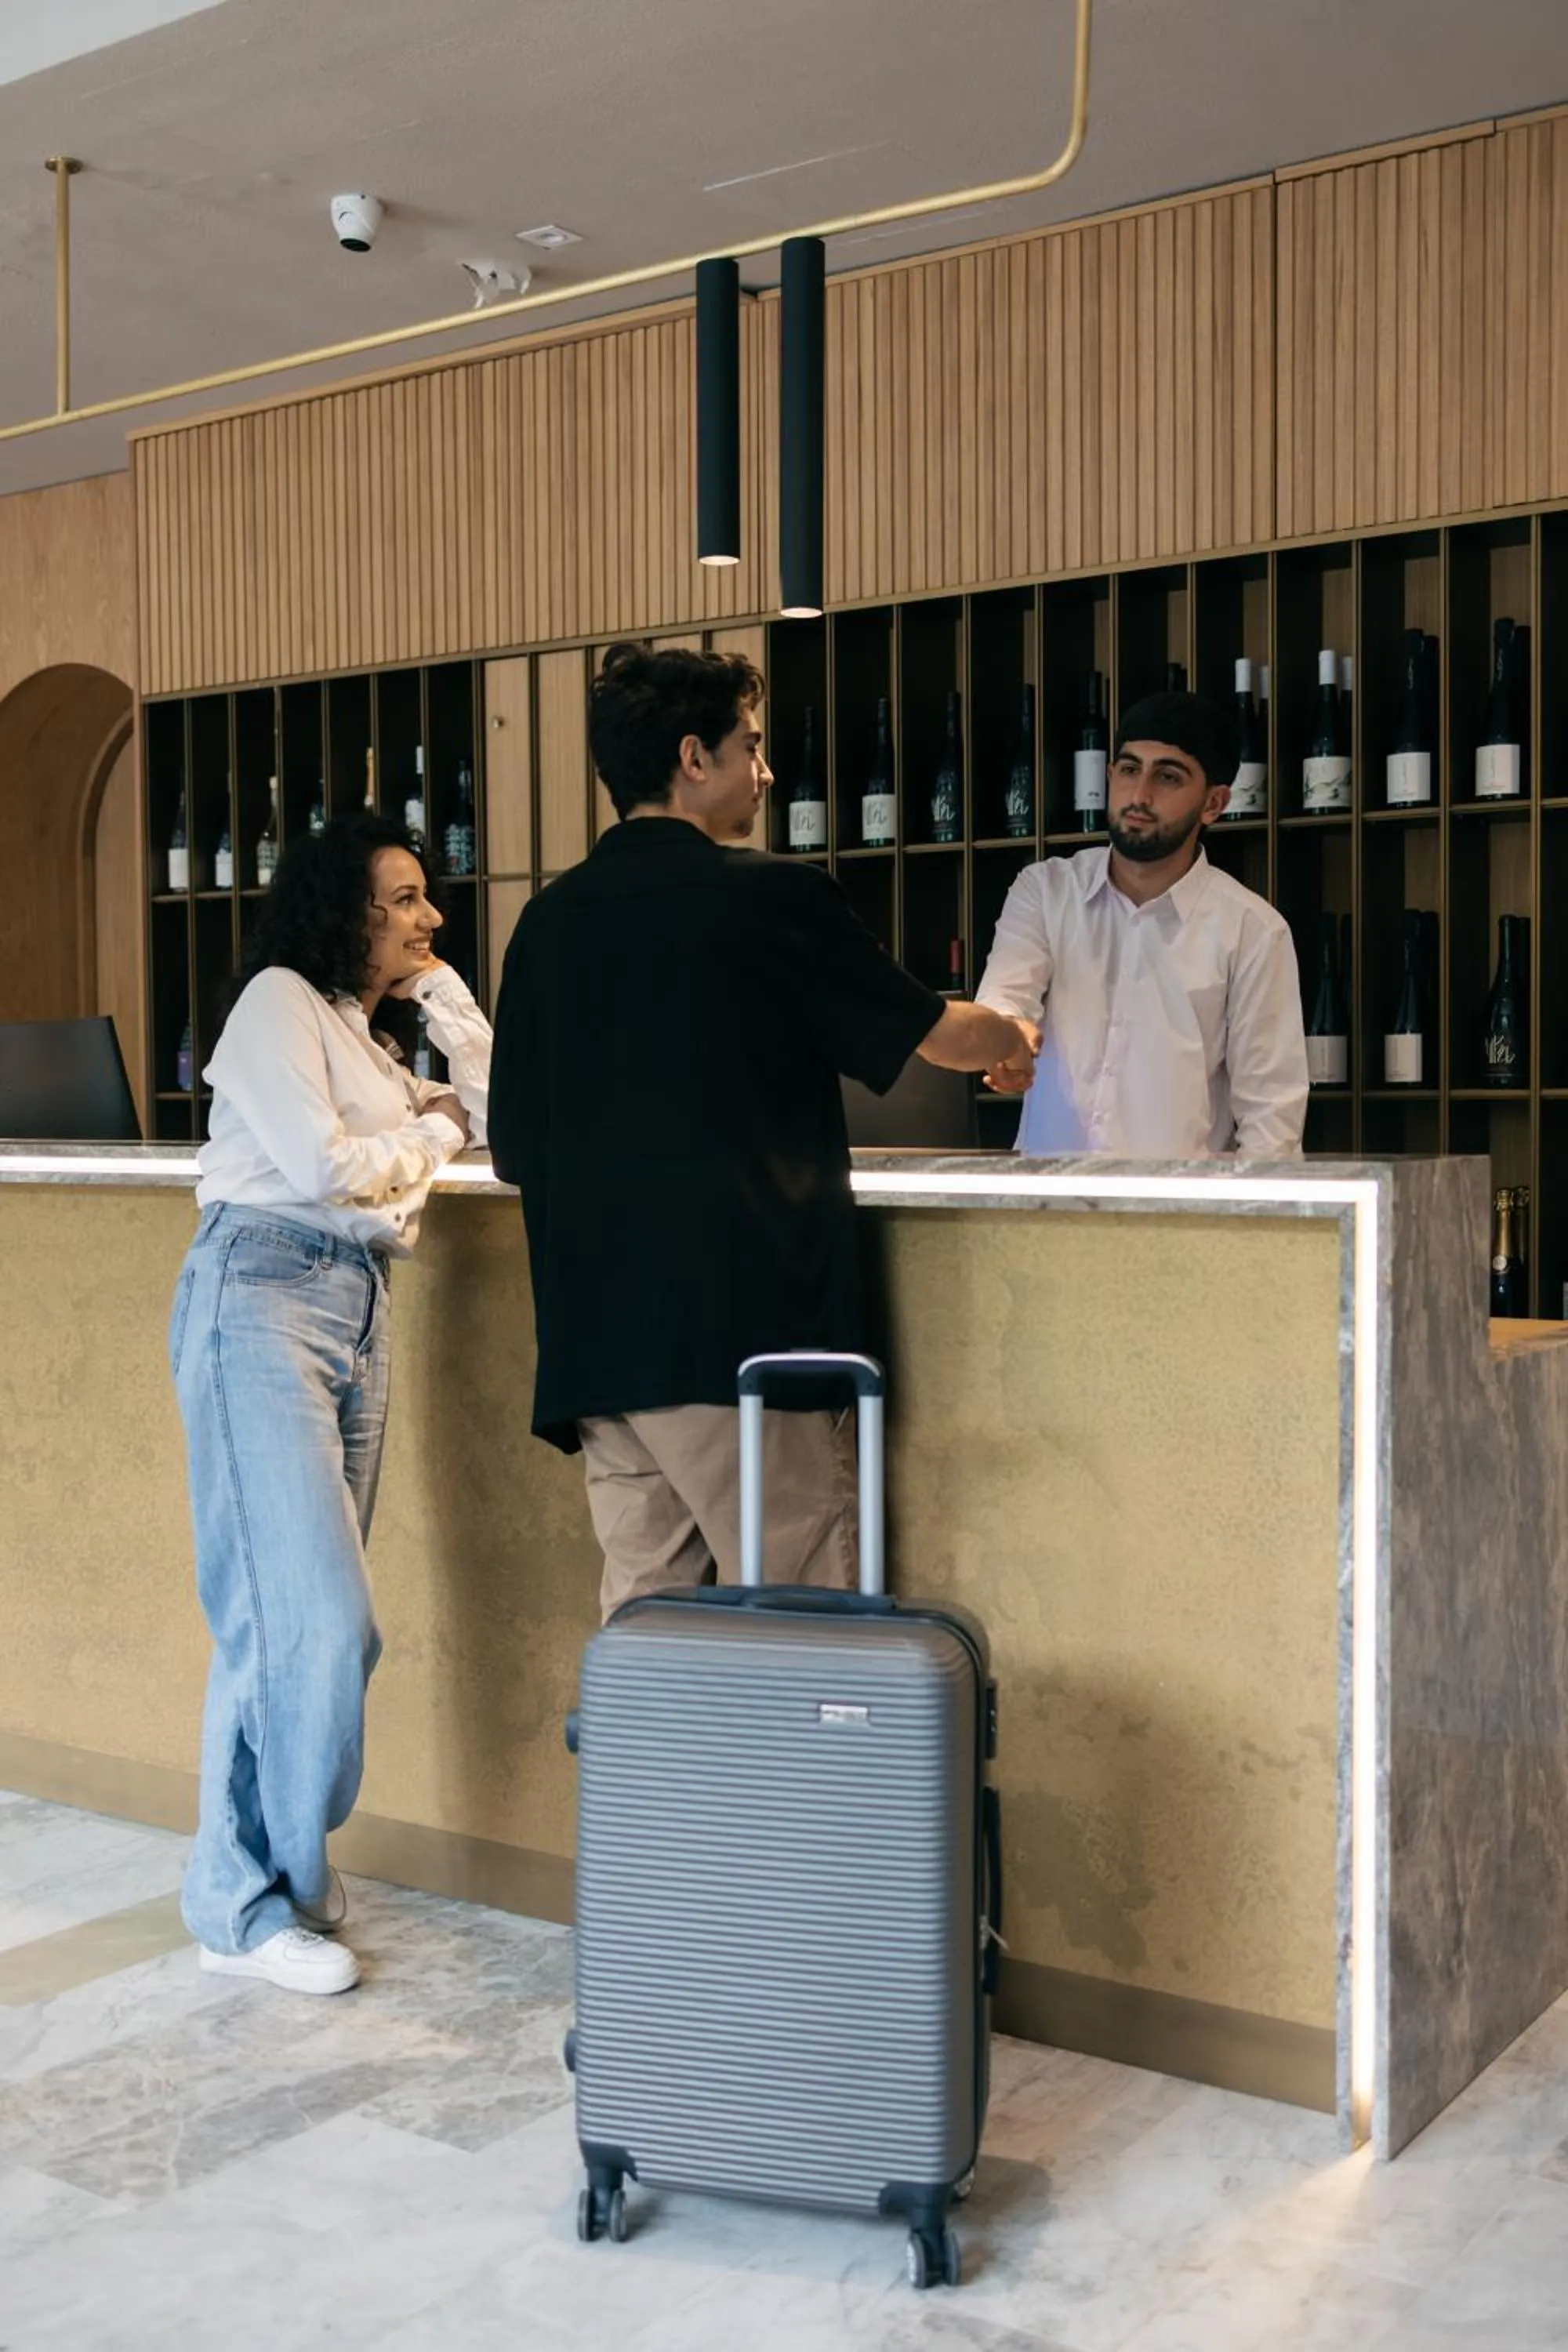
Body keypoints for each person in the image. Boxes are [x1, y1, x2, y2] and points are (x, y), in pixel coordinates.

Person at [488, 642, 1037, 1619]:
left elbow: (516, 1151)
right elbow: (935, 1035)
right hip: (744, 1344)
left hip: (596, 1355)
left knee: (648, 1640)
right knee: (799, 1627)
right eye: (751, 745)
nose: (767, 771)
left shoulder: (545, 923)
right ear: (693, 758)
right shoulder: (772, 897)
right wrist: (1012, 1037)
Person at [168, 813, 492, 1995]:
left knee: (298, 1621)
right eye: (404, 899)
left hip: (357, 1306)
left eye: (426, 897)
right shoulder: (277, 1006)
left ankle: (278, 1874)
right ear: (341, 910)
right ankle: (243, 1903)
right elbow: (320, 1169)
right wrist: (429, 1133)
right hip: (259, 1293)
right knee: (307, 1618)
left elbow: (499, 1114)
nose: (430, 915)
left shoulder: (365, 1036)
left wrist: (446, 1005)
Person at [976, 690, 1308, 1156]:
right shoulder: (1046, 891)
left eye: (1168, 777)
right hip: (1045, 1194)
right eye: (1130, 770)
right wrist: (1006, 1037)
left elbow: (1271, 1122)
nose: (1139, 795)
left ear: (1213, 803)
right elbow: (1005, 1000)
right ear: (1110, 775)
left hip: (1177, 1201)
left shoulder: (1252, 930)